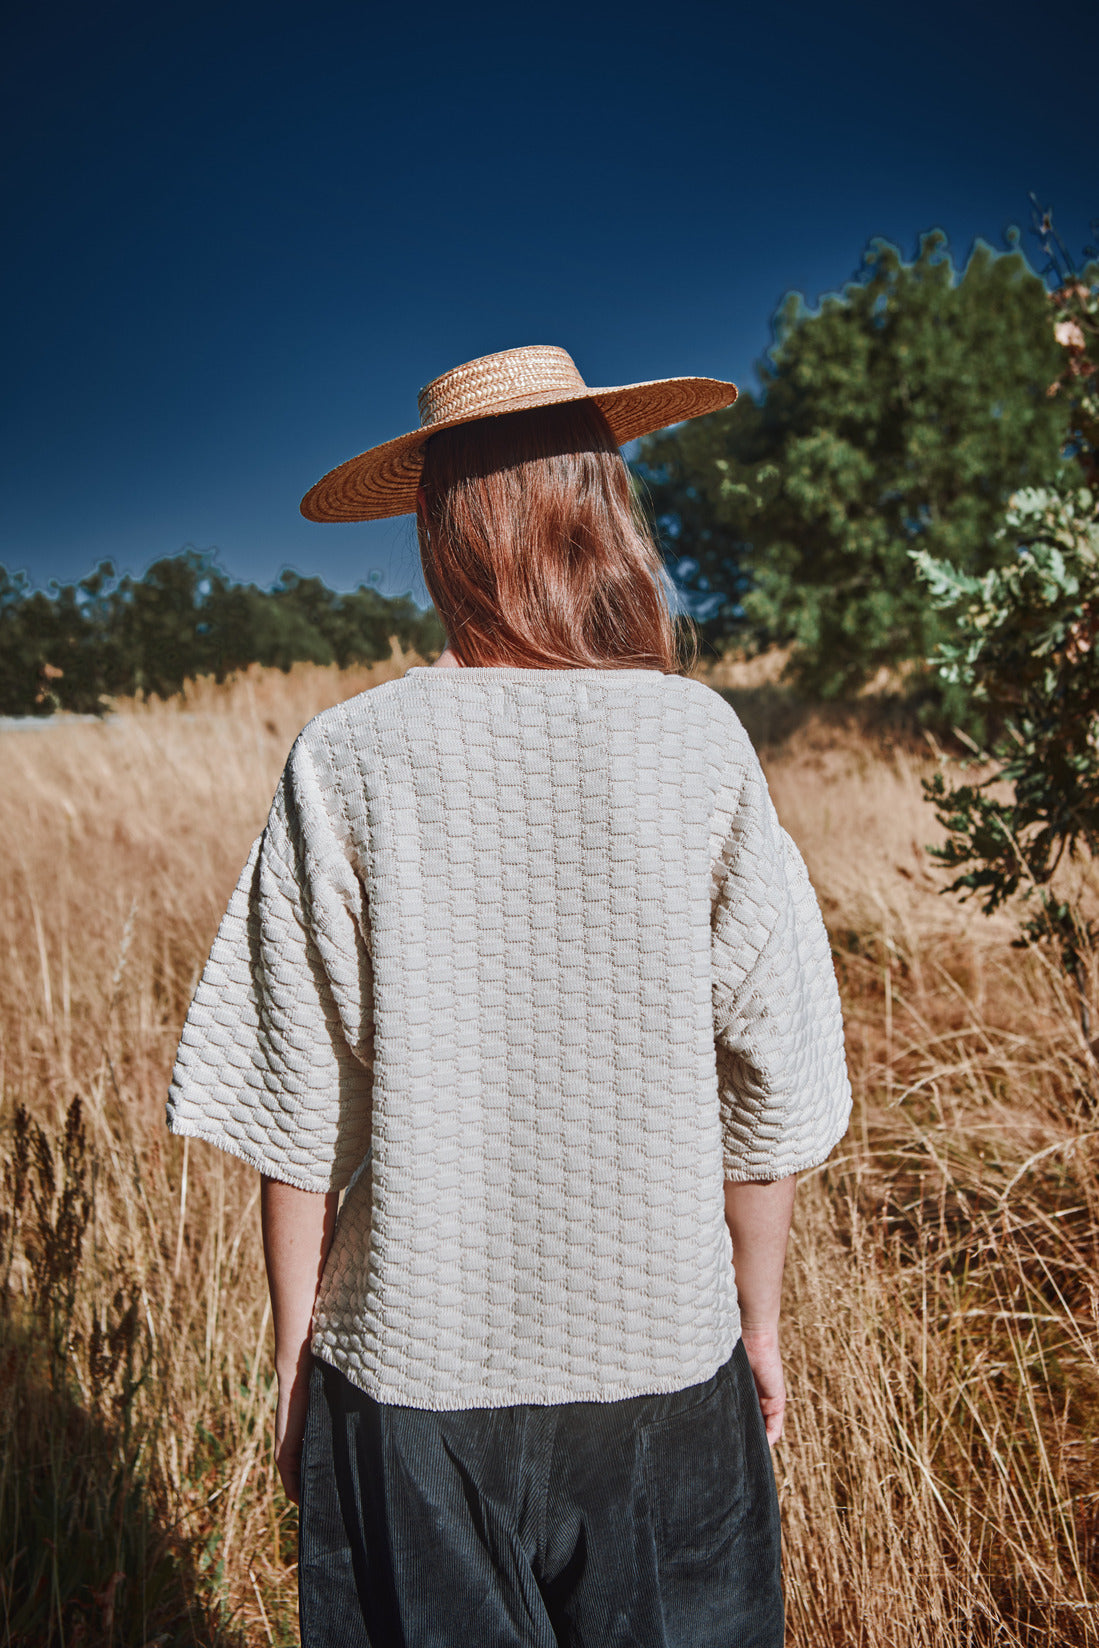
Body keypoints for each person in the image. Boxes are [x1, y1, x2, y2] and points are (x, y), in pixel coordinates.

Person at [166, 343, 852, 1648]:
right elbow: (774, 1074)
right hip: (664, 1368)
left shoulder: (348, 756)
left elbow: (298, 1101)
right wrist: (756, 1324)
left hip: (411, 1385)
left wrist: (288, 1364)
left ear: (439, 528)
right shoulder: (699, 739)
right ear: (600, 507)